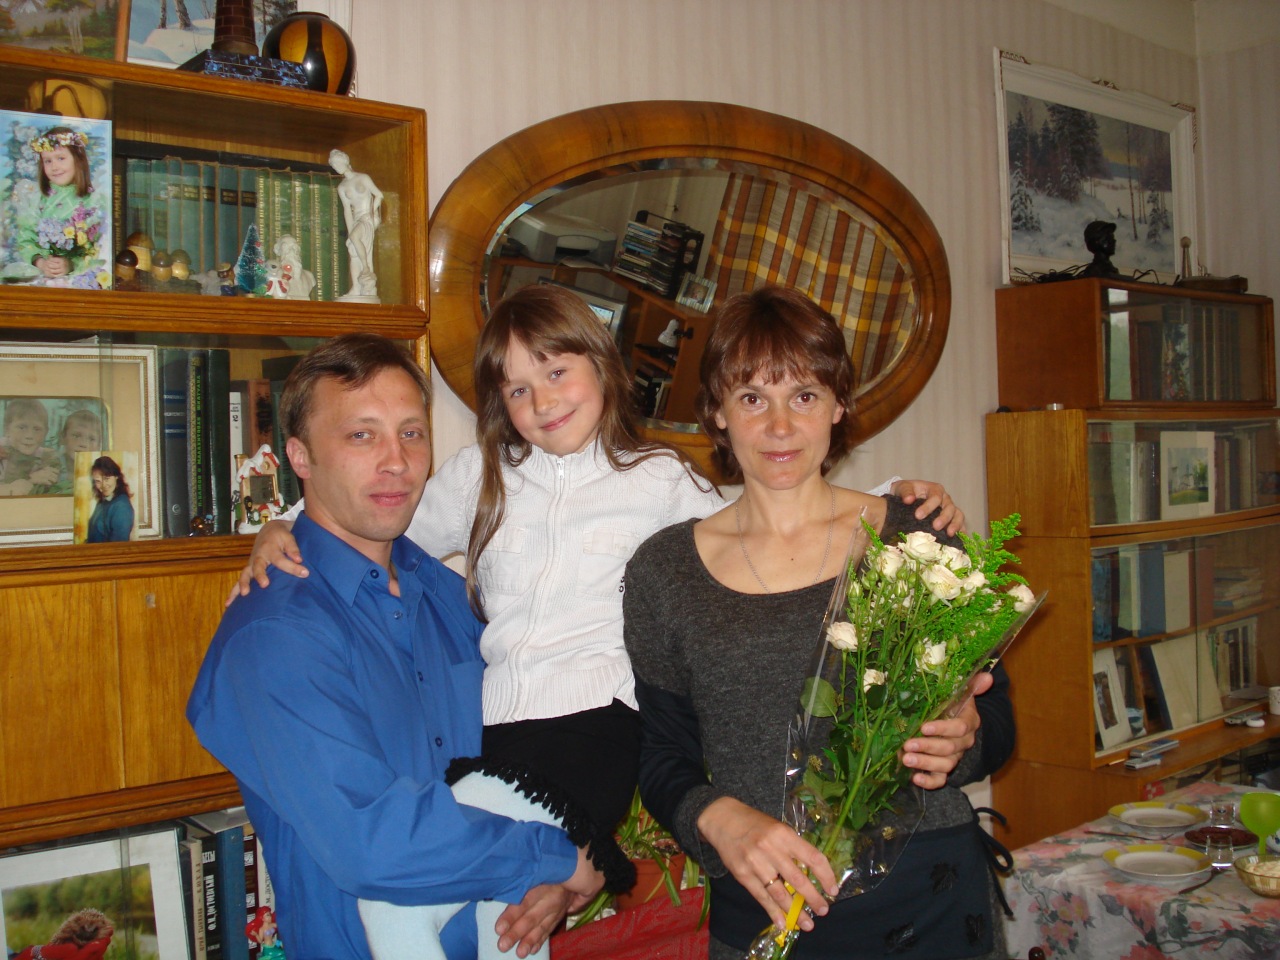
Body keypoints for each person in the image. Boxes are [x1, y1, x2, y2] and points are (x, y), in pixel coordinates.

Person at [235, 286, 963, 949]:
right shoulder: (479, 477)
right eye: (518, 389)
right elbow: (374, 522)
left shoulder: (654, 478)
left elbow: (760, 514)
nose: (543, 400)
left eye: (557, 372)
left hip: (594, 728)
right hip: (498, 732)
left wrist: (892, 496)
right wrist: (284, 526)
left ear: (602, 367)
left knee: (415, 905)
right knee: (492, 917)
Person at [623, 285, 1014, 960]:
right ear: (717, 412)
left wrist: (964, 738)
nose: (780, 426)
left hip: (932, 897)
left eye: (803, 395)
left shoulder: (916, 540)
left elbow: (998, 722)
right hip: (766, 908)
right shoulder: (665, 572)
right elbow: (660, 753)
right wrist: (718, 816)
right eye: (752, 398)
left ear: (838, 405)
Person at [188, 334, 604, 960]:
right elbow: (370, 840)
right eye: (362, 436)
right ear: (300, 456)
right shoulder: (275, 632)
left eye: (412, 433)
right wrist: (551, 856)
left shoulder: (449, 596)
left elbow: (526, 743)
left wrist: (545, 879)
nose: (397, 462)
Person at [16, 126, 106, 285]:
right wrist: (40, 262)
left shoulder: (93, 202)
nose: (54, 167)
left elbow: (97, 250)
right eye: (48, 161)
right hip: (41, 278)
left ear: (78, 160)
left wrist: (70, 264)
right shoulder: (37, 199)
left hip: (78, 280)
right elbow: (25, 239)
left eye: (61, 158)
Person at [330, 148, 383, 301]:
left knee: (355, 239)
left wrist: (371, 214)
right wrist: (350, 231)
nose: (336, 167)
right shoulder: (341, 187)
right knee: (353, 252)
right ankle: (356, 287)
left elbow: (379, 195)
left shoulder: (363, 178)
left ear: (345, 161)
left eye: (337, 163)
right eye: (334, 165)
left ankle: (366, 268)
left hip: (367, 218)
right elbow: (347, 210)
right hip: (356, 220)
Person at [0, 397, 60, 496]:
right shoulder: (2, 450)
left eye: (37, 429)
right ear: (7, 429)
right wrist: (30, 480)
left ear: (46, 432)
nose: (29, 435)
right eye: (22, 427)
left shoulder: (47, 457)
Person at [49, 407, 102, 495]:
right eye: (76, 436)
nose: (83, 444)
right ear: (63, 438)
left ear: (99, 446)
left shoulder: (100, 472)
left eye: (91, 439)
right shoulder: (52, 465)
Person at [84, 455, 134, 542]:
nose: (103, 485)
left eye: (106, 479)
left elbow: (117, 547)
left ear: (117, 476)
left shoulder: (122, 507)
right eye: (98, 481)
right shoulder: (103, 502)